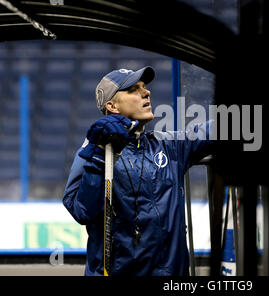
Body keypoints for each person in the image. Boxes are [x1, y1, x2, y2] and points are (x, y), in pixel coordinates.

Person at [63, 67, 215, 276]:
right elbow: (82, 211)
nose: (146, 92)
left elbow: (211, 131)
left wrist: (251, 113)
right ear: (112, 106)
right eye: (134, 89)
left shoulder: (168, 145)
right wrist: (98, 154)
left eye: (144, 87)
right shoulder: (93, 150)